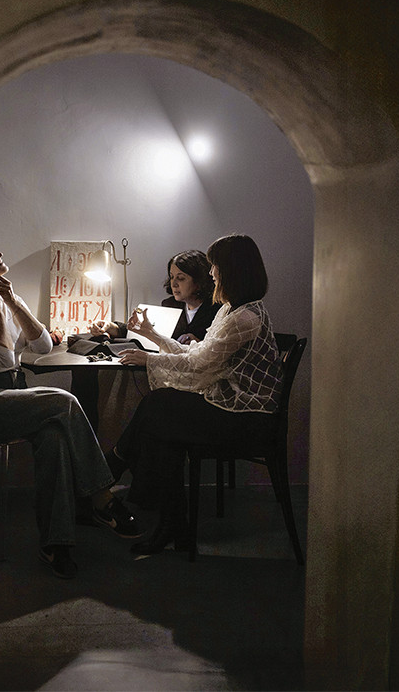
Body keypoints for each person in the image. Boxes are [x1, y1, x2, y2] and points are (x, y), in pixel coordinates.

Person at [0, 233, 142, 579]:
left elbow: (43, 346)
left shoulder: (4, 299)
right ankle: (101, 497)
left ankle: (55, 544)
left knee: (55, 438)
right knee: (64, 401)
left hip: (9, 396)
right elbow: (4, 359)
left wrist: (13, 302)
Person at [107, 234, 283, 556]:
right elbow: (198, 353)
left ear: (231, 271)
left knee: (158, 406)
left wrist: (149, 359)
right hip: (231, 408)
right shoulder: (230, 310)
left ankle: (111, 473)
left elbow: (199, 364)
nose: (211, 273)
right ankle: (172, 525)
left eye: (215, 267)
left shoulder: (245, 318)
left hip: (248, 418)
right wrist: (151, 335)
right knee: (163, 428)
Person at [90, 249, 221, 344]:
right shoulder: (170, 305)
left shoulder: (218, 310)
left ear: (199, 282)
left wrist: (200, 343)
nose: (174, 284)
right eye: (172, 277)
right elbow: (147, 333)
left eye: (181, 278)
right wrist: (110, 326)